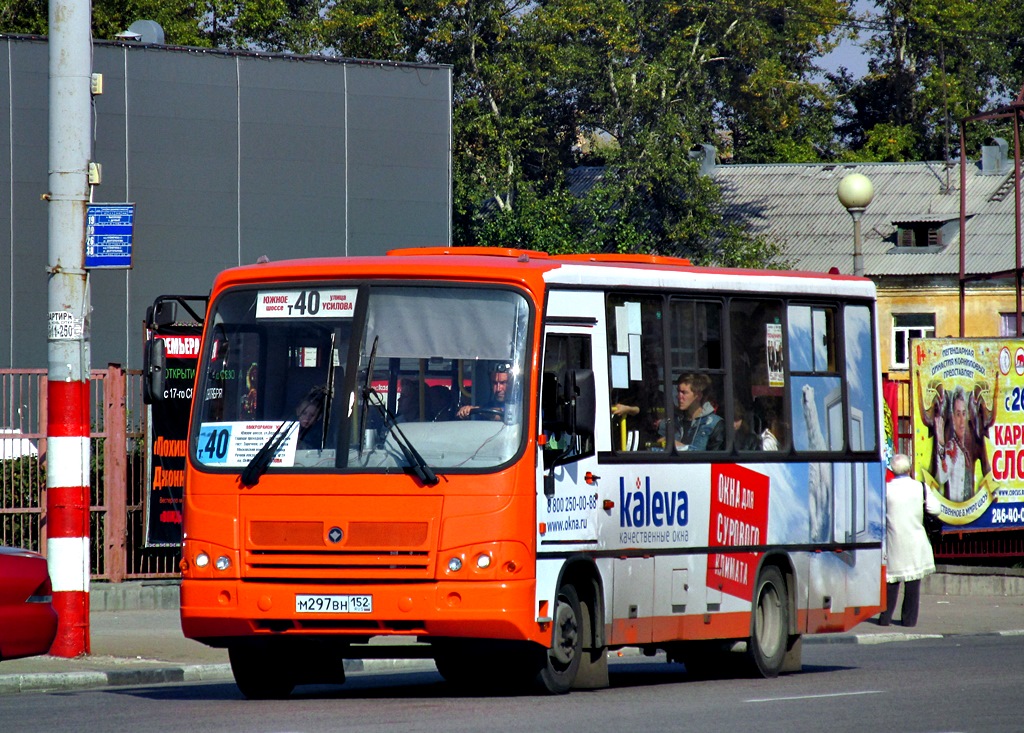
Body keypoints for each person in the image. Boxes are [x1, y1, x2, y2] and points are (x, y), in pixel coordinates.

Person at [879, 453, 940, 627]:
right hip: (915, 542)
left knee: (891, 581)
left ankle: (885, 618)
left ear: (892, 469)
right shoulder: (920, 488)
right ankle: (909, 620)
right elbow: (935, 509)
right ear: (909, 468)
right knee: (913, 583)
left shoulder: (886, 490)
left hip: (893, 541)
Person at [658, 372, 724, 451]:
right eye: (678, 391)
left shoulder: (714, 424)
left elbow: (718, 458)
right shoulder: (670, 421)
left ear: (698, 396)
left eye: (684, 393)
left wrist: (683, 448)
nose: (679, 396)